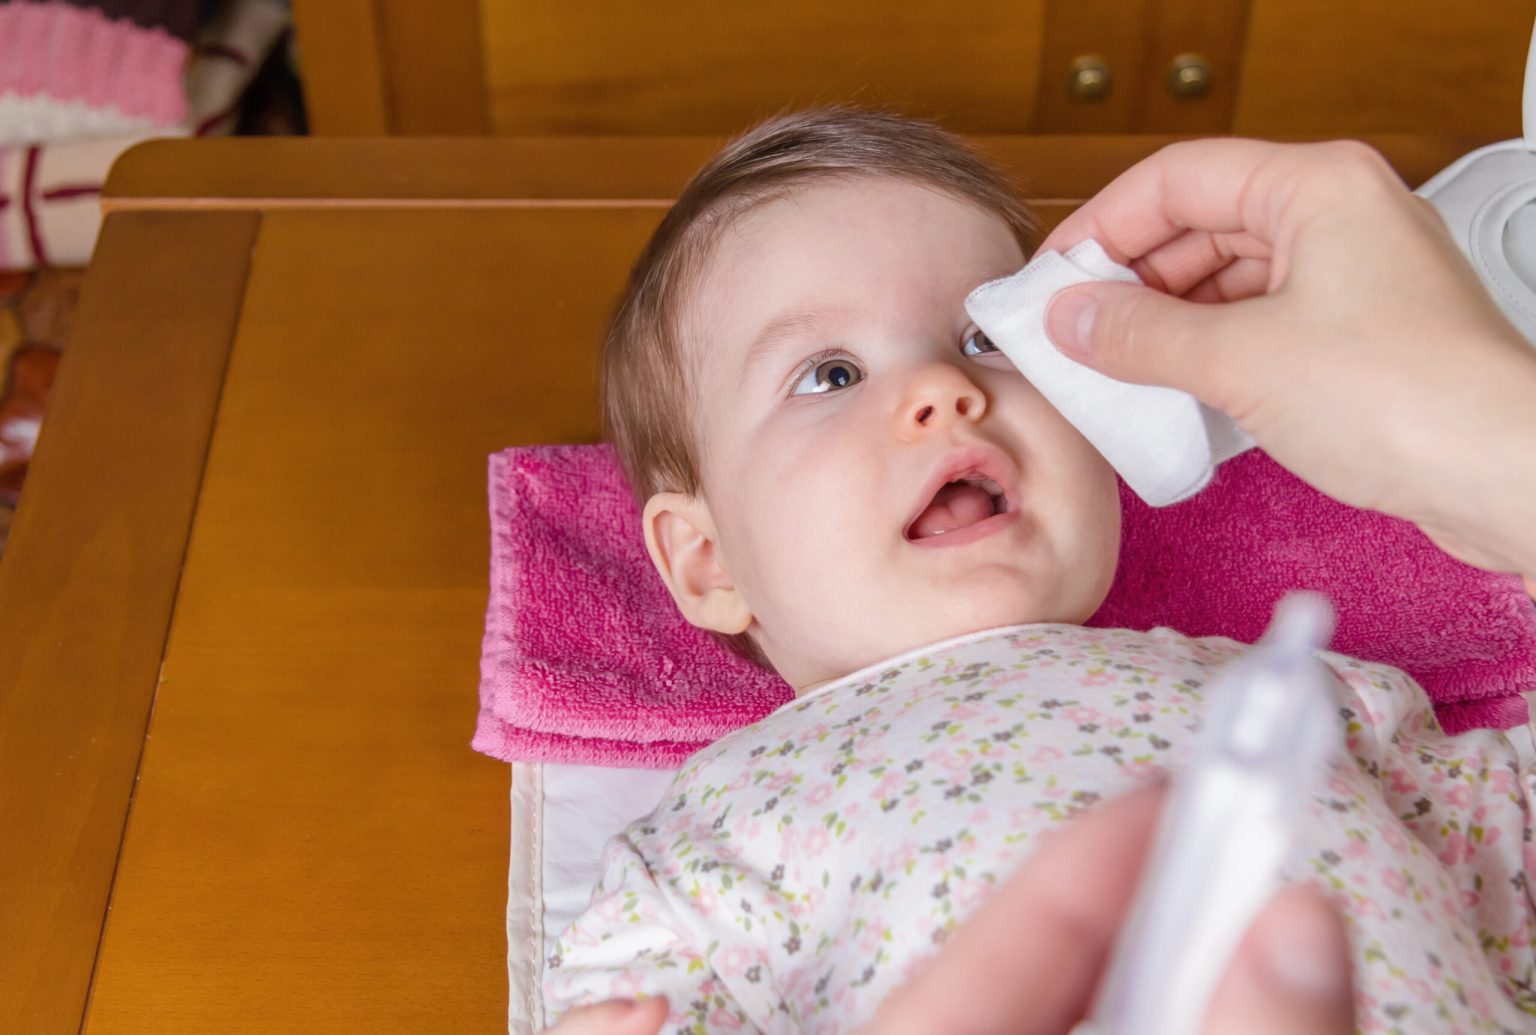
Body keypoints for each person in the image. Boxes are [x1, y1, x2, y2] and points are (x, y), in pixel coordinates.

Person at [544, 113, 1536, 1034]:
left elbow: (1498, 846)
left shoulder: (1291, 681)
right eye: (831, 374)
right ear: (710, 561)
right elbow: (627, 1001)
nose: (946, 389)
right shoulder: (727, 812)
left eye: (986, 337)